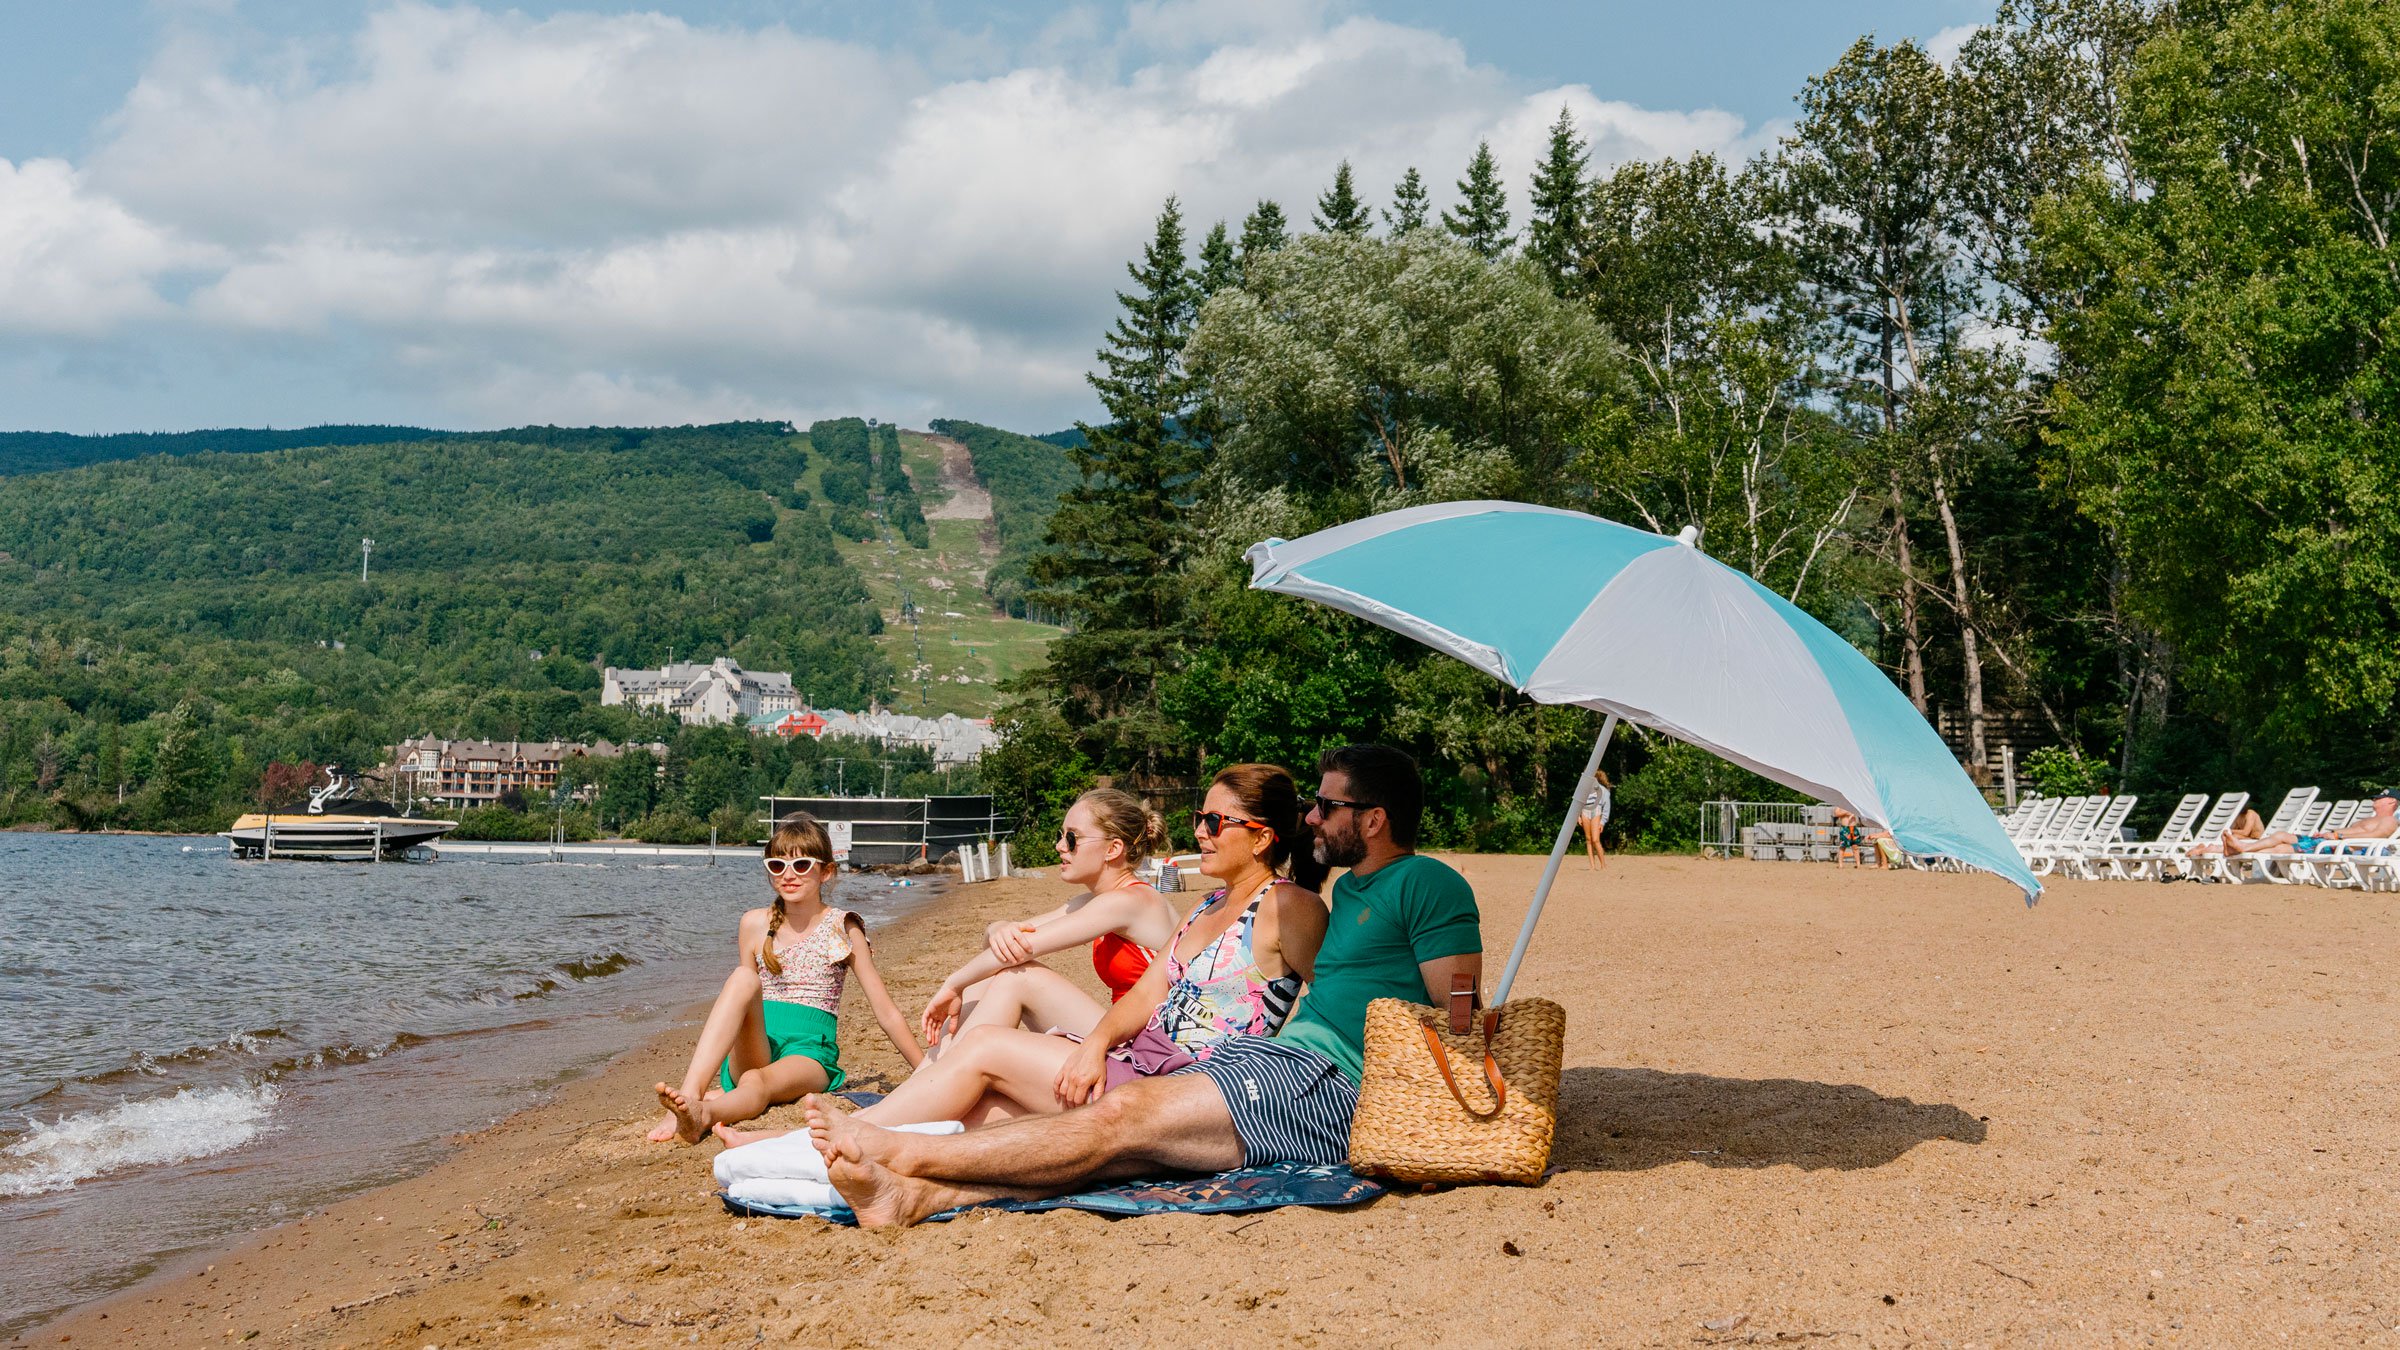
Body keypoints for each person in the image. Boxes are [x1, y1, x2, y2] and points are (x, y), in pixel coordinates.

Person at [802, 744, 1483, 1229]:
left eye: (1328, 806)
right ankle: (919, 1195)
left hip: (1327, 1081)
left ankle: (900, 1149)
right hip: (1275, 1063)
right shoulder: (1354, 890)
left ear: (1373, 819)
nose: (1313, 817)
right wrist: (1097, 1041)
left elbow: (1459, 1016)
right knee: (1105, 1140)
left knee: (1119, 1119)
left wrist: (1440, 1107)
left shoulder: (1426, 883)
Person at [714, 765, 1328, 1145]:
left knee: (986, 1045)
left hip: (1189, 1085)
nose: (1199, 831)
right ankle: (810, 1148)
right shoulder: (1206, 906)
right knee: (984, 1104)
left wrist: (1288, 1088)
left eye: (1215, 822)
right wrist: (1090, 1041)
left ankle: (841, 1134)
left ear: (1261, 837)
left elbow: (1332, 1008)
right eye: (1200, 818)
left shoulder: (1287, 907)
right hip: (1144, 1053)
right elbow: (1144, 992)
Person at [647, 813, 920, 1144]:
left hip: (808, 1054)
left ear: (826, 871)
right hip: (760, 1043)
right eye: (778, 866)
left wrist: (926, 1072)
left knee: (756, 1082)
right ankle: (692, 1095)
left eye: (801, 865)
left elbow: (886, 1012)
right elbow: (743, 1005)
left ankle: (705, 1114)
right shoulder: (753, 924)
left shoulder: (843, 928)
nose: (789, 875)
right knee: (742, 978)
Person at [918, 788, 1180, 1054]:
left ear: (1113, 849)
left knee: (1017, 977)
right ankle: (934, 1075)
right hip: (1128, 1031)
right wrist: (997, 928)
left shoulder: (1129, 902)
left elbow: (1021, 949)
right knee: (984, 977)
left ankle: (943, 1073)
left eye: (1072, 838)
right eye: (1061, 836)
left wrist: (953, 983)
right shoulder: (1097, 901)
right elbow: (1008, 944)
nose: (1060, 846)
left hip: (1153, 1048)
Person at [2220, 790, 2398, 858]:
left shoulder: (2390, 821)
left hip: (2344, 847)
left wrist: (2338, 835)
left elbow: (2376, 836)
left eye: (2379, 798)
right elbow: (2352, 830)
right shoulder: (2368, 819)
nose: (2375, 799)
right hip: (2331, 842)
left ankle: (2241, 849)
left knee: (2282, 849)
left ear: (2391, 801)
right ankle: (2242, 848)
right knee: (2281, 835)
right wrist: (2329, 833)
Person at [2183, 807, 2265, 858]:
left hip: (2255, 839)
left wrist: (2229, 831)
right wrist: (2227, 832)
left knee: (2233, 837)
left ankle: (2206, 849)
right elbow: (2232, 829)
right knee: (2230, 837)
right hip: (2246, 839)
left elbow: (2245, 832)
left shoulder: (2250, 814)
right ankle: (2208, 848)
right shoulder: (2239, 816)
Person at [1577, 771, 1612, 869]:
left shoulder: (1603, 790)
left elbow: (1606, 807)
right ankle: (1592, 866)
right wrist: (1578, 816)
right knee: (1588, 839)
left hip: (1596, 811)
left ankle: (1603, 865)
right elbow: (1578, 803)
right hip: (1585, 811)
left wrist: (1602, 822)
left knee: (1596, 839)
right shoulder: (1583, 789)